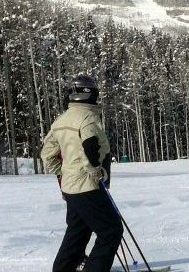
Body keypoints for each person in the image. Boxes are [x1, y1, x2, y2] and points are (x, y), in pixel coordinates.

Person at [41, 75, 121, 272]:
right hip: (87, 186)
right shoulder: (88, 118)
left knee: (78, 231)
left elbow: (47, 154)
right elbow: (90, 149)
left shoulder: (61, 120)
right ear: (89, 94)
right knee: (111, 230)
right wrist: (96, 172)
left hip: (70, 187)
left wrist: (64, 173)